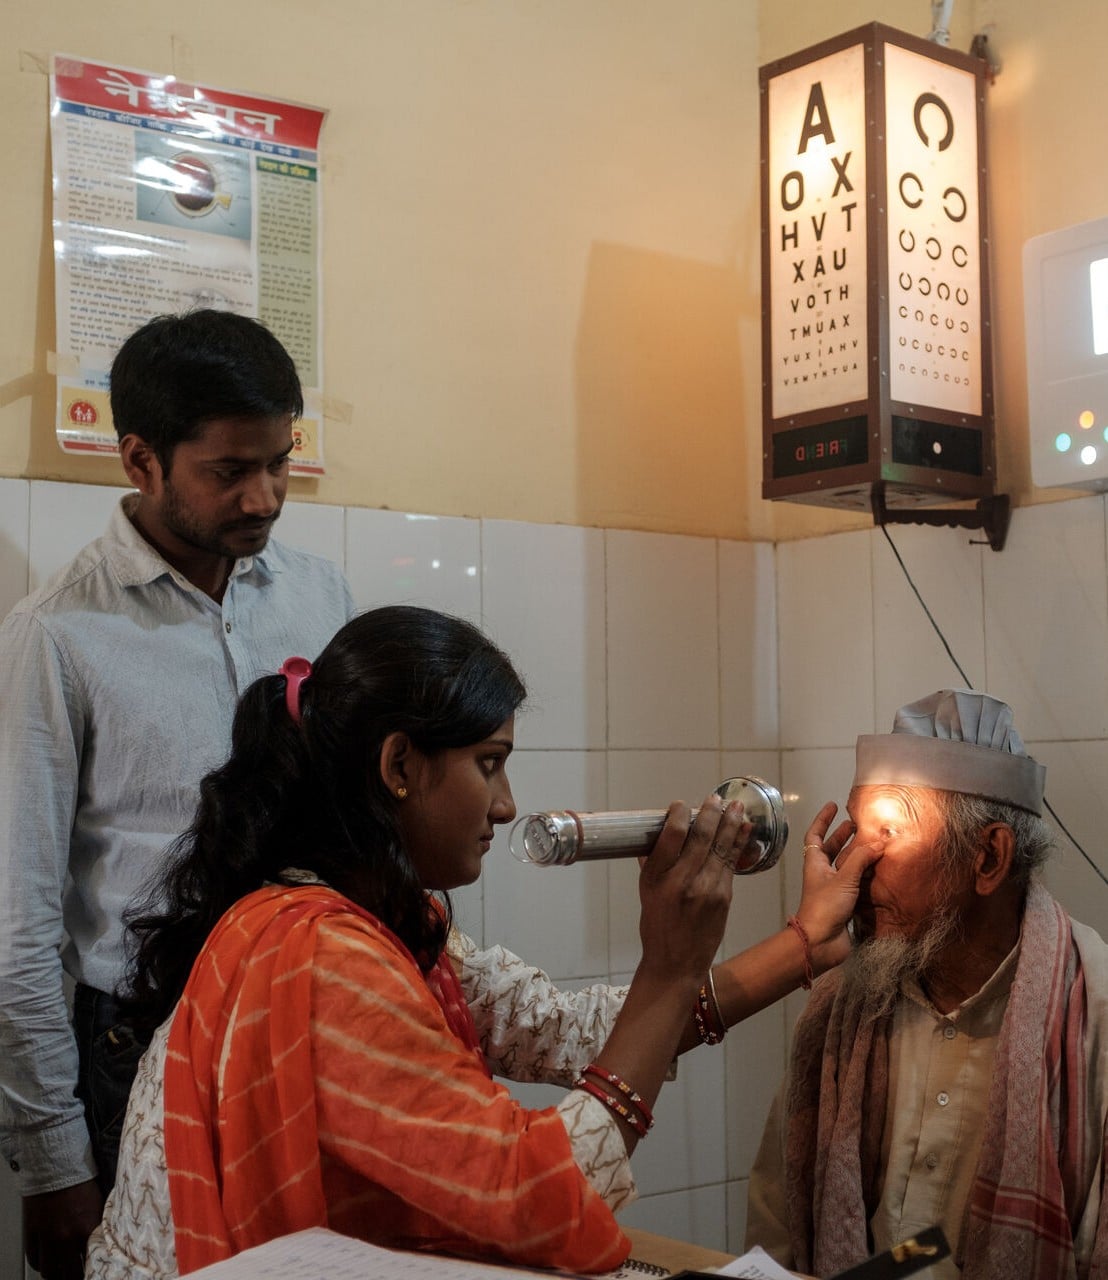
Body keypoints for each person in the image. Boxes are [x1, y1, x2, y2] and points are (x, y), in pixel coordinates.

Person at [85, 605, 883, 1278]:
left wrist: (803, 944)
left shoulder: (382, 921)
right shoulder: (325, 958)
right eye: (489, 764)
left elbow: (568, 1031)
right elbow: (543, 1196)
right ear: (399, 764)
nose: (507, 806)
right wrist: (671, 965)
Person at [0, 309, 356, 1280]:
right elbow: (22, 916)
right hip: (135, 1045)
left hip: (306, 1024)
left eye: (280, 461)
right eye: (229, 469)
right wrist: (53, 1158)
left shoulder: (320, 599)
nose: (266, 494)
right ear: (139, 459)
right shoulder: (60, 631)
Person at [745, 688, 1108, 1280]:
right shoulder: (843, 1007)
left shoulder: (1095, 1014)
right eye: (855, 835)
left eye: (887, 833)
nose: (853, 869)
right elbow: (776, 1223)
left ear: (988, 858)